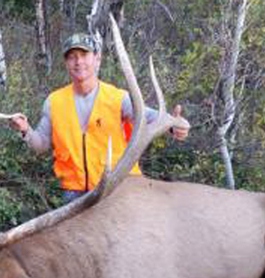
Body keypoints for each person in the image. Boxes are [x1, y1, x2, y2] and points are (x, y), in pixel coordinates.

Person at [11, 33, 189, 203]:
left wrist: (173, 125)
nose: (78, 61)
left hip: (118, 189)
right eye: (72, 56)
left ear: (97, 59)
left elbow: (150, 117)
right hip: (74, 196)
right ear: (66, 63)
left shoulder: (118, 98)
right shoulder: (54, 102)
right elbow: (41, 144)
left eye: (84, 55)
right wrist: (25, 130)